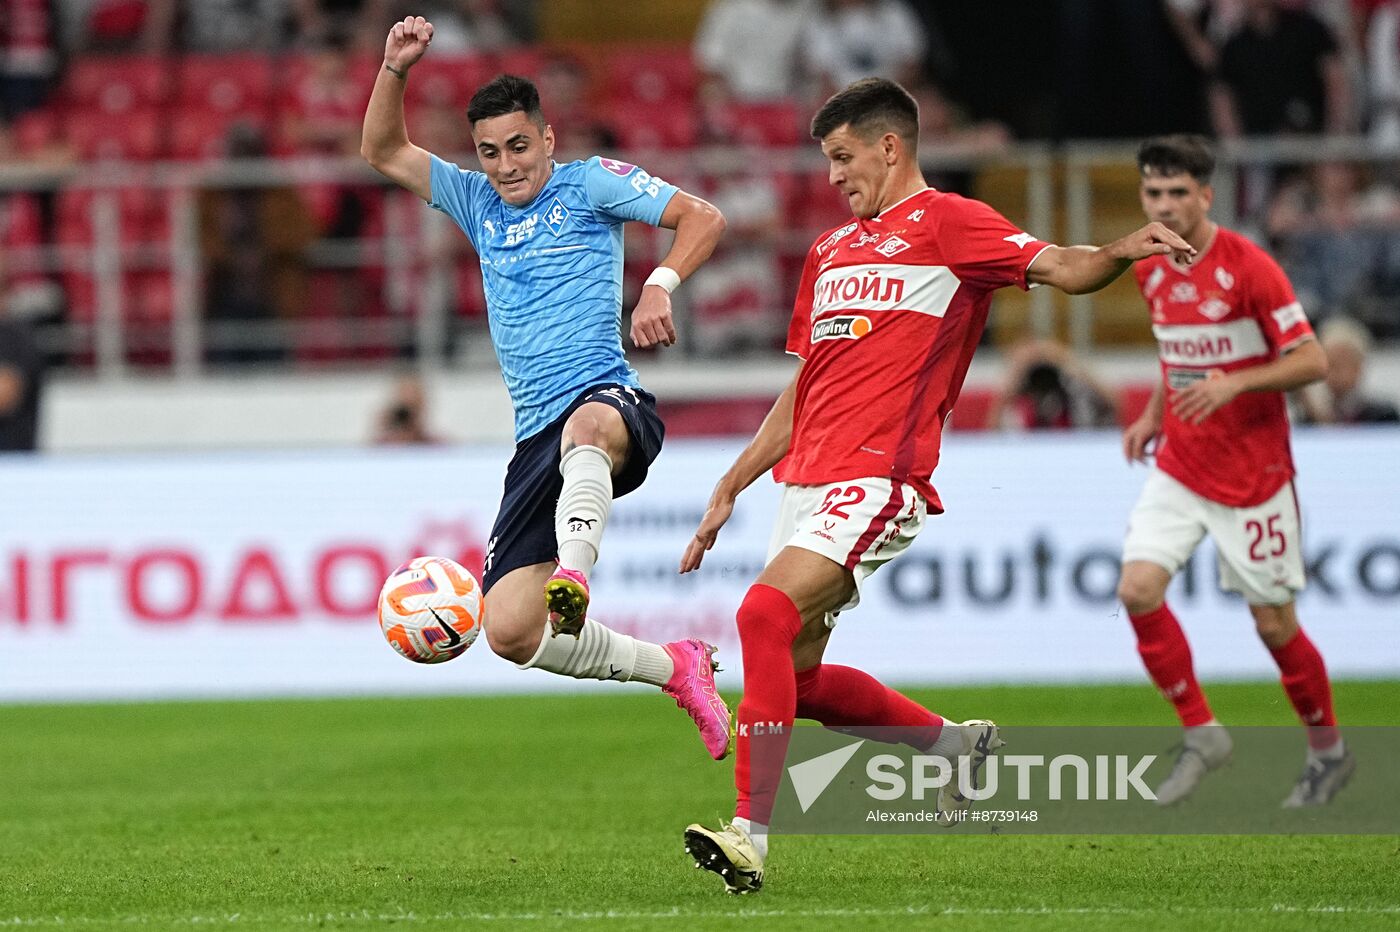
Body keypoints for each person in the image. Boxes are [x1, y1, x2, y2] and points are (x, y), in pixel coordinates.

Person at [678, 78, 1196, 895]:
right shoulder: (828, 251)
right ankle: (958, 749)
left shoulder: (951, 223)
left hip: (881, 477)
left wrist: (1116, 255)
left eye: (844, 158)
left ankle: (750, 835)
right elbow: (805, 386)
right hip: (805, 484)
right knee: (800, 680)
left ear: (890, 147)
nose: (835, 177)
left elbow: (1061, 267)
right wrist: (733, 482)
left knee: (761, 614)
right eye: (827, 162)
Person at [361, 16, 733, 758]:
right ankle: (676, 668)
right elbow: (381, 149)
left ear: (549, 139)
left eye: (519, 147)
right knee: (509, 632)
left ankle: (575, 572)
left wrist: (660, 285)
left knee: (585, 430)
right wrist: (395, 68)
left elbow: (702, 216)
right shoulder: (476, 203)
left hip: (608, 404)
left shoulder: (591, 184)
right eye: (490, 152)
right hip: (537, 441)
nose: (506, 166)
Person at [1117, 134, 1350, 812]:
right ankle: (1203, 733)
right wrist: (1156, 412)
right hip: (1182, 464)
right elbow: (1176, 351)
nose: (1163, 205)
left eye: (1176, 194)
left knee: (1274, 626)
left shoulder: (1250, 267)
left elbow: (1312, 362)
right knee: (1136, 588)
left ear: (1205, 196)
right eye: (1153, 193)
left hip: (1254, 475)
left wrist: (1234, 384)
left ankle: (1328, 754)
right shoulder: (1149, 265)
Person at [1299, 316, 1400, 424]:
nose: (1333, 374)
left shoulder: (1383, 416)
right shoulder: (1308, 417)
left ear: (1359, 367)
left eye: (1340, 366)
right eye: (1329, 365)